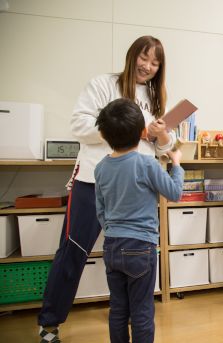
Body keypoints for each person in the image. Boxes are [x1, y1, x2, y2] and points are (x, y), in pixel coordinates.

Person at [38, 36, 175, 343]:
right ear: (132, 56)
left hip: (137, 190)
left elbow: (170, 145)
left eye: (155, 63)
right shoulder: (103, 84)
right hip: (94, 181)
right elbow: (79, 124)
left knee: (133, 256)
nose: (148, 67)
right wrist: (135, 130)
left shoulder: (155, 98)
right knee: (73, 251)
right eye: (144, 58)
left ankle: (127, 320)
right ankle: (49, 323)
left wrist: (161, 135)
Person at [94, 98, 184, 343]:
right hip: (140, 247)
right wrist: (176, 165)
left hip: (112, 245)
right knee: (142, 311)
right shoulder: (147, 164)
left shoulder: (100, 168)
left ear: (103, 135)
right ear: (142, 133)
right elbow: (175, 193)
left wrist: (113, 230)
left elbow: (100, 210)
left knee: (119, 309)